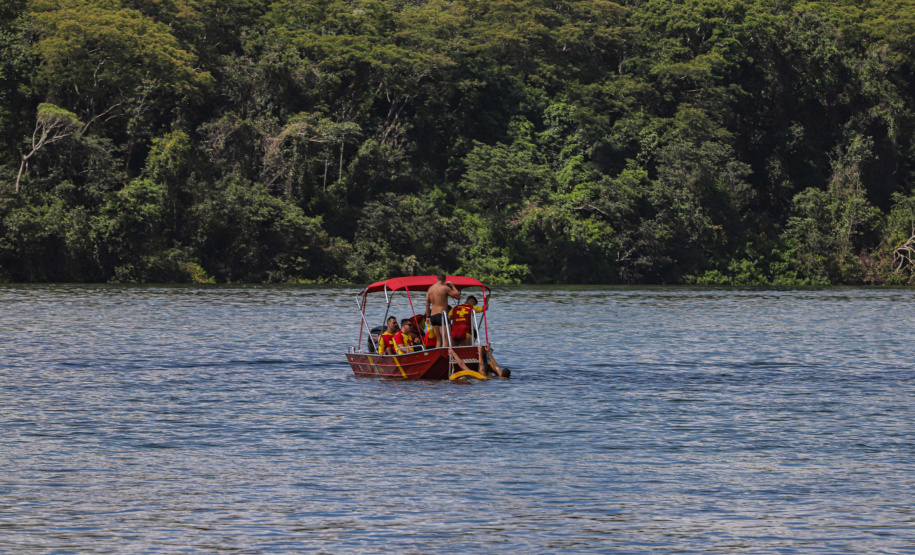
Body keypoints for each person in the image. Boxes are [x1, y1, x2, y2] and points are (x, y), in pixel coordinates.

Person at [425, 274, 460, 348]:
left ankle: (438, 355)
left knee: (438, 340)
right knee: (446, 339)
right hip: (441, 315)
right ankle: (446, 356)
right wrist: (452, 285)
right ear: (444, 280)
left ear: (437, 279)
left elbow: (427, 304)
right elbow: (458, 296)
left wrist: (428, 316)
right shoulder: (445, 288)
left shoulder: (430, 289)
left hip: (433, 316)